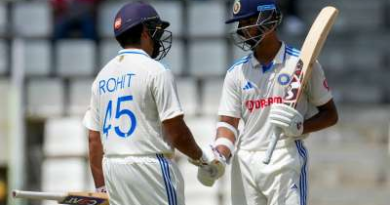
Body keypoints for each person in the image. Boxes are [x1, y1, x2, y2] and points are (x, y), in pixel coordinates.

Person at [195, 0, 339, 204]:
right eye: (240, 23)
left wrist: (300, 127)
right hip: (245, 162)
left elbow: (330, 115)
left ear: (269, 20)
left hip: (285, 157)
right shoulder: (236, 73)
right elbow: (228, 123)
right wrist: (219, 156)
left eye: (248, 21)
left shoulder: (302, 65)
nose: (242, 29)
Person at [82, 2, 224, 205]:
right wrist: (202, 159)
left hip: (113, 168)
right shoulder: (156, 71)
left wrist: (100, 187)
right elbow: (176, 131)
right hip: (151, 168)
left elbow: (94, 139)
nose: (159, 37)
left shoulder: (102, 78)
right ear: (145, 33)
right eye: (156, 30)